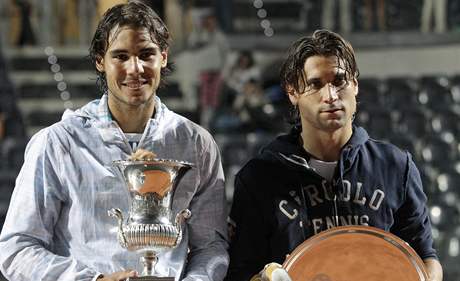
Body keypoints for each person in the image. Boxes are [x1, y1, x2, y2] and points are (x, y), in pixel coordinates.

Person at [0, 2, 229, 281]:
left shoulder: (197, 144)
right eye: (120, 56)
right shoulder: (58, 143)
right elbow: (16, 249)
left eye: (147, 54)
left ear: (164, 57)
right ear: (100, 60)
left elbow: (211, 247)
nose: (135, 68)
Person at [224, 29, 443, 281]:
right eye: (315, 84)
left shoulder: (396, 167)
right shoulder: (258, 178)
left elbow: (425, 257)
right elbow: (240, 271)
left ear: (355, 85)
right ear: (293, 92)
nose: (330, 96)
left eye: (339, 81)